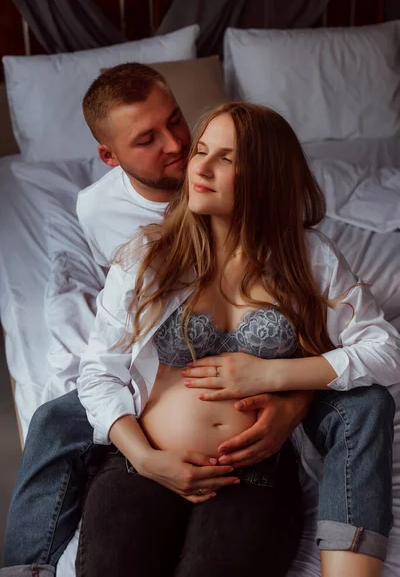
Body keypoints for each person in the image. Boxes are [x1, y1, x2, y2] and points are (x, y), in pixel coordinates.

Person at [1, 64, 312, 577]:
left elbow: (289, 268)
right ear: (110, 156)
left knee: (357, 401)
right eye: (147, 139)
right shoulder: (99, 210)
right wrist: (144, 453)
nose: (177, 146)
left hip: (248, 400)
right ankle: (27, 566)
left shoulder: (233, 169)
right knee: (58, 417)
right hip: (161, 384)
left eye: (176, 121)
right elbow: (129, 309)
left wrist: (292, 397)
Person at [75, 101, 399, 577]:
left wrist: (274, 373)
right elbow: (99, 373)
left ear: (264, 175)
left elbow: (385, 350)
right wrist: (145, 457)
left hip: (254, 474)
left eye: (225, 158)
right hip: (143, 464)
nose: (198, 167)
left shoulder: (310, 259)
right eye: (200, 151)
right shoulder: (149, 255)